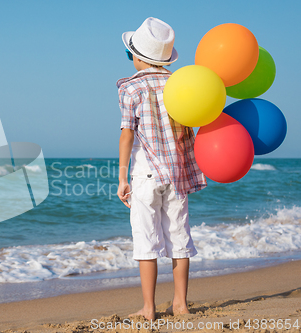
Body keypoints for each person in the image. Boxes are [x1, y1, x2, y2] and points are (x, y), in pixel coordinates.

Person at [116, 17, 207, 321]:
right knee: (179, 239)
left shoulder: (131, 88)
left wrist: (121, 176)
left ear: (139, 57)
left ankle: (148, 308)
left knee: (146, 239)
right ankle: (180, 304)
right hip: (177, 173)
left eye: (131, 55)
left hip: (146, 173)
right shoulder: (181, 84)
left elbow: (128, 133)